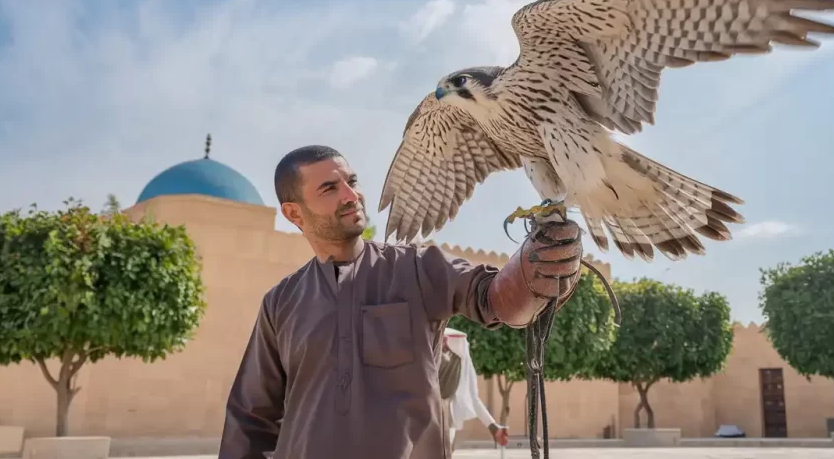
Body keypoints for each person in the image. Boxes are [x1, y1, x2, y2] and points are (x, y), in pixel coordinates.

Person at [219, 145, 583, 459]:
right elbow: (251, 416)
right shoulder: (281, 302)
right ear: (294, 213)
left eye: (352, 181)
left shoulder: (418, 268)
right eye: (330, 188)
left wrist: (539, 270)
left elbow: (494, 298)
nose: (351, 195)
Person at [439, 328, 508, 455]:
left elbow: (473, 399)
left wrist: (493, 428)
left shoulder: (462, 364)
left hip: (447, 421)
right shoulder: (428, 358)